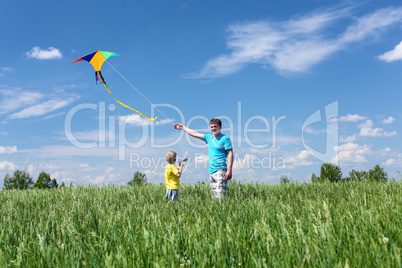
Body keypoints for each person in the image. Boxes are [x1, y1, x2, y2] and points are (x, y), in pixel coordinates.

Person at [174, 118, 233, 198]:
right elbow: (195, 134)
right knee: (214, 197)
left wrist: (229, 170)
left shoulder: (225, 139)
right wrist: (182, 127)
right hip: (211, 171)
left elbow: (230, 153)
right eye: (211, 127)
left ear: (220, 127)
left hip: (221, 170)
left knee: (220, 197)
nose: (213, 129)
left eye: (215, 126)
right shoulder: (209, 138)